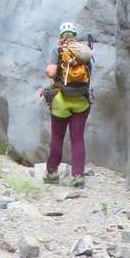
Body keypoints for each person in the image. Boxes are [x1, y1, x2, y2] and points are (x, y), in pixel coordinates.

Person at [39, 19, 93, 187]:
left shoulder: (59, 50)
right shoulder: (84, 52)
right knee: (77, 138)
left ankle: (52, 172)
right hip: (82, 101)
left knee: (57, 137)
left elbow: (50, 72)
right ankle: (78, 176)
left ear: (61, 36)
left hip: (61, 101)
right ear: (74, 35)